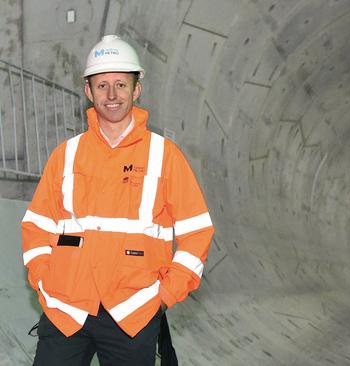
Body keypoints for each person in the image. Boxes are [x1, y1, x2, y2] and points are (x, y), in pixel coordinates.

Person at [21, 35, 214, 365]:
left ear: (136, 89)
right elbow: (37, 226)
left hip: (132, 313)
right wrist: (42, 278)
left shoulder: (164, 156)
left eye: (121, 85)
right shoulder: (65, 155)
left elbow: (197, 232)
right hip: (66, 309)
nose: (112, 95)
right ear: (88, 91)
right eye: (102, 85)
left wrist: (165, 296)